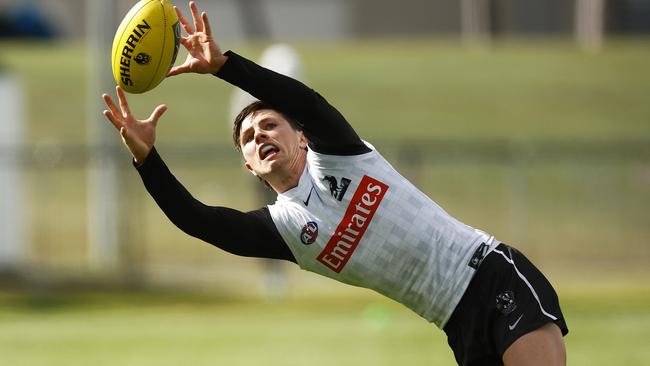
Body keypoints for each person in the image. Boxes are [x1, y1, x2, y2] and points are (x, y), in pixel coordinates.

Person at [101, 2, 568, 365]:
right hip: (454, 322)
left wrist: (225, 66)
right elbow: (197, 221)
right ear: (248, 167)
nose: (259, 135)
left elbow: (303, 98)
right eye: (248, 137)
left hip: (489, 275)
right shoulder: (286, 230)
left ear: (301, 137)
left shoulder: (340, 156)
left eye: (269, 125)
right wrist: (147, 158)